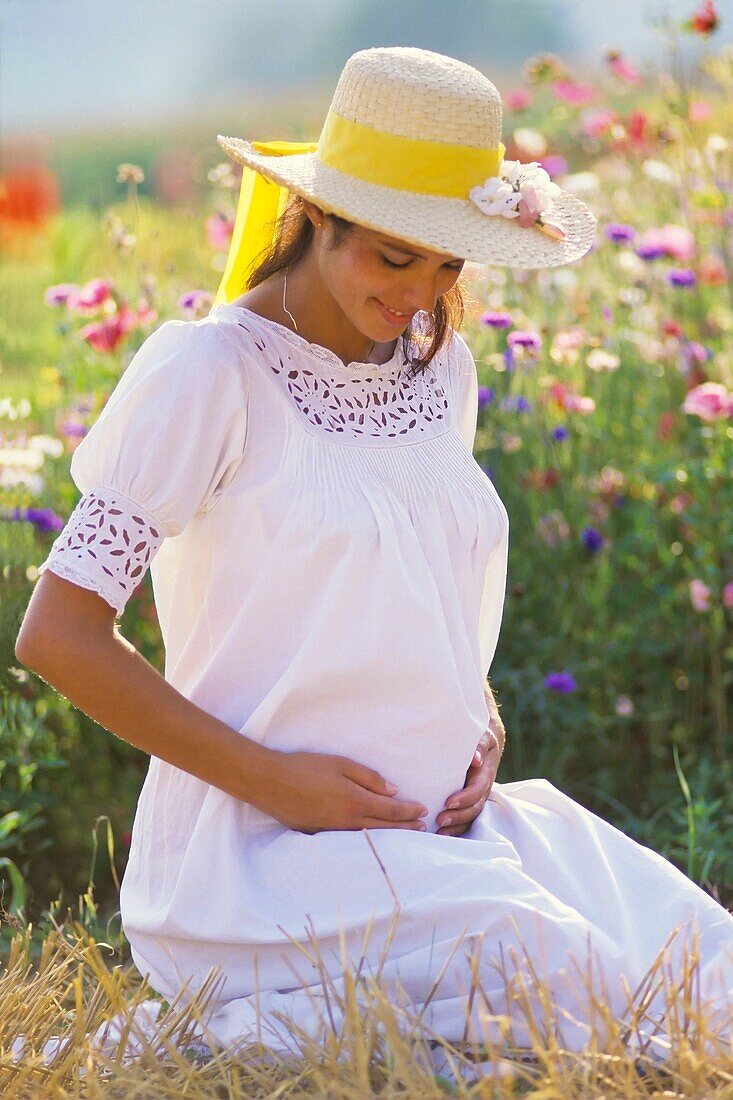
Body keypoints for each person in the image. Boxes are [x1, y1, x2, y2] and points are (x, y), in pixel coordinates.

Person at [17, 45, 732, 1076]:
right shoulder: (205, 373)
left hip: (439, 835)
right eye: (395, 257)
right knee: (551, 965)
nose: (420, 294)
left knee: (689, 953)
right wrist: (275, 781)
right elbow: (60, 634)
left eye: (449, 263)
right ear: (316, 218)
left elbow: (406, 590)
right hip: (257, 860)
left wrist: (477, 719)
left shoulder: (442, 371)